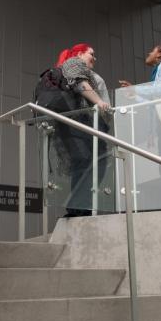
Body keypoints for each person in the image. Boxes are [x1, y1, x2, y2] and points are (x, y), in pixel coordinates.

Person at [119, 44, 161, 207]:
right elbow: (155, 101)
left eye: (152, 51)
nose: (149, 53)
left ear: (160, 54)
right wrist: (135, 94)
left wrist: (136, 89)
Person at [54, 43, 110, 217]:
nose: (94, 58)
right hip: (80, 125)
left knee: (86, 164)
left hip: (83, 126)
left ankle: (78, 208)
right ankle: (78, 208)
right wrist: (99, 102)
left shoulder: (78, 68)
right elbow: (79, 83)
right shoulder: (73, 63)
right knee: (90, 163)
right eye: (91, 54)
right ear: (79, 54)